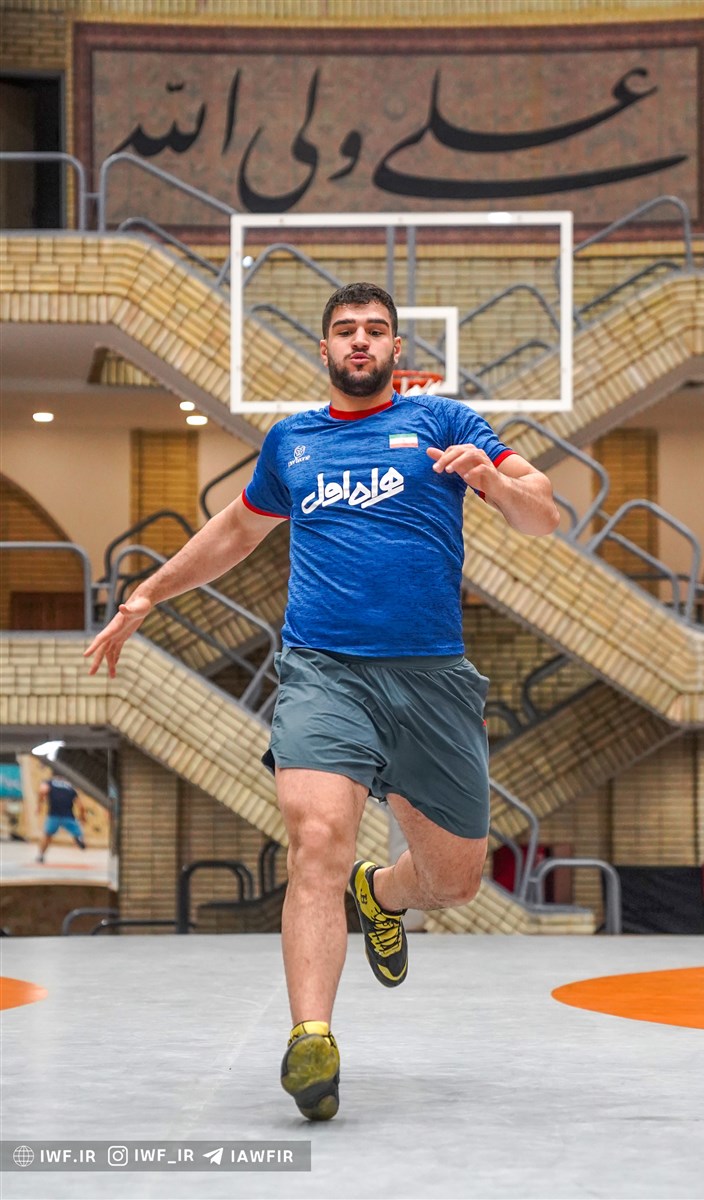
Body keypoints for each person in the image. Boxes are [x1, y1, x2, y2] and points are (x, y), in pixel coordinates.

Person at [84, 281, 559, 1122]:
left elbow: (543, 516)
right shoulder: (293, 442)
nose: (360, 341)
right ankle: (312, 1037)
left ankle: (384, 895)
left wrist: (492, 479)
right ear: (325, 349)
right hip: (323, 672)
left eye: (375, 330)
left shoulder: (445, 423)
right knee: (315, 841)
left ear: (397, 349)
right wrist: (149, 592)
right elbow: (237, 529)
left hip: (432, 680)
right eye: (346, 330)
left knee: (455, 882)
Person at [37, 775, 86, 862]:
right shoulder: (71, 786)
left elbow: (42, 790)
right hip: (68, 816)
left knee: (47, 835)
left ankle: (41, 855)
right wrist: (82, 817)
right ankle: (79, 838)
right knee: (78, 833)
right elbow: (81, 806)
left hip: (53, 815)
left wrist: (39, 805)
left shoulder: (49, 782)